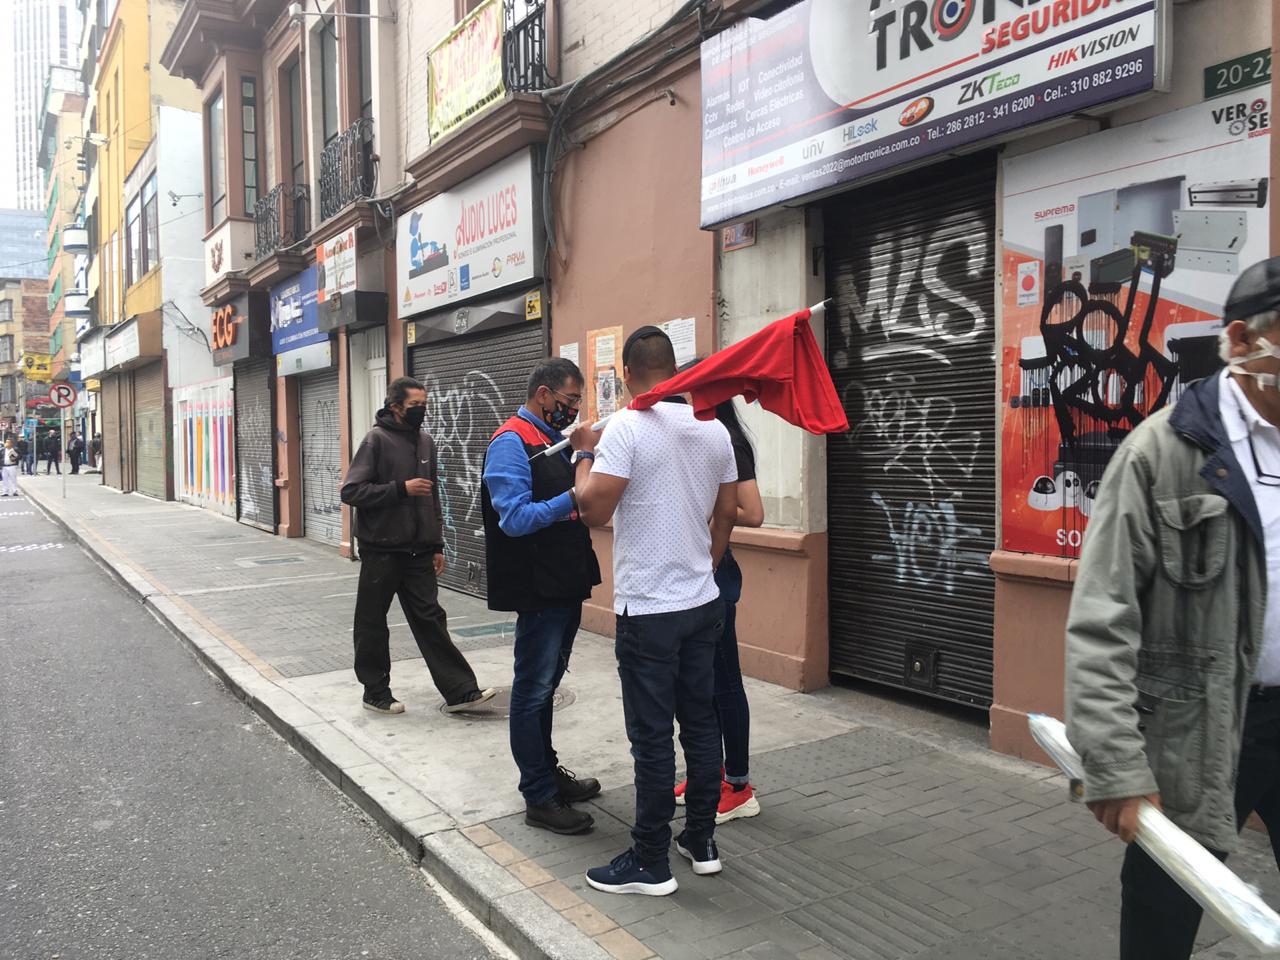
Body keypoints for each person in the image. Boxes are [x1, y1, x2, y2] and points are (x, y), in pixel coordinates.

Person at [1065, 256, 1280, 960]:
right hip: (1198, 727)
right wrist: (1116, 766)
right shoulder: (1162, 454)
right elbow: (1102, 619)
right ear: (1245, 341)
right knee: (1162, 924)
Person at [570, 326, 738, 896]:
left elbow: (592, 509)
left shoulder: (626, 428)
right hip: (701, 603)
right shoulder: (713, 429)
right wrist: (706, 568)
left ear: (624, 372)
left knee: (650, 737)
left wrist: (584, 452)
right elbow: (729, 513)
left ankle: (649, 859)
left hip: (649, 608)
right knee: (701, 722)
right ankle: (701, 840)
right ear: (674, 367)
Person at [481, 357, 603, 836]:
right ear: (544, 395)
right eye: (569, 401)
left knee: (547, 685)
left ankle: (548, 774)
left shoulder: (551, 441)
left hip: (562, 580)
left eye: (576, 403)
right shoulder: (510, 442)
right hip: (537, 586)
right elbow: (513, 518)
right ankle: (538, 795)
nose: (572, 411)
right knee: (532, 691)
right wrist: (572, 498)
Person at [340, 376, 495, 716]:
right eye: (415, 406)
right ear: (395, 406)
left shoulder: (426, 441)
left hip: (419, 550)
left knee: (431, 619)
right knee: (372, 622)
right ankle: (375, 691)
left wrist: (437, 543)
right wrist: (399, 489)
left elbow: (433, 496)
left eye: (425, 404)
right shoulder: (375, 441)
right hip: (381, 548)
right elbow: (351, 492)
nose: (422, 411)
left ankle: (461, 691)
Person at [672, 378, 765, 823]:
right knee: (702, 682)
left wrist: (712, 509)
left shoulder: (727, 440)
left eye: (687, 396)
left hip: (717, 571)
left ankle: (740, 785)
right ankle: (710, 770)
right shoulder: (699, 438)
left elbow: (754, 513)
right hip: (694, 572)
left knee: (725, 682)